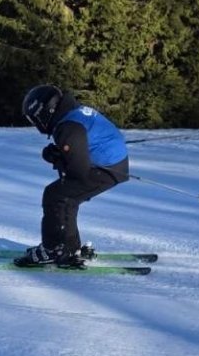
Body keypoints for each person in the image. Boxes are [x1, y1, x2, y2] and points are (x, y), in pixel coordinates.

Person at [15, 84, 129, 268]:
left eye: (34, 119)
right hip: (112, 161)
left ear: (44, 113)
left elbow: (78, 172)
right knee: (65, 197)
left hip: (107, 167)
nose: (36, 124)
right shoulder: (72, 113)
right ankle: (69, 247)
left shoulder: (67, 127)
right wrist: (60, 153)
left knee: (57, 196)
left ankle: (54, 249)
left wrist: (58, 158)